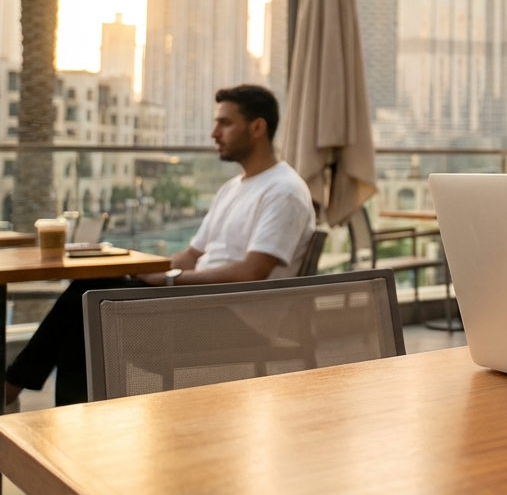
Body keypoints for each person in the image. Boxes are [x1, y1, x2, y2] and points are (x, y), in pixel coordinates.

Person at [5, 85, 315, 407]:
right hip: (201, 308)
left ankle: (16, 390)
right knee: (89, 300)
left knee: (89, 308)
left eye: (224, 123)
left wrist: (167, 281)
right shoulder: (232, 188)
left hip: (238, 325)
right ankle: (49, 410)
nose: (214, 133)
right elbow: (192, 255)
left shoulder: (284, 190)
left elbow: (253, 272)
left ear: (257, 127)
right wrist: (143, 271)